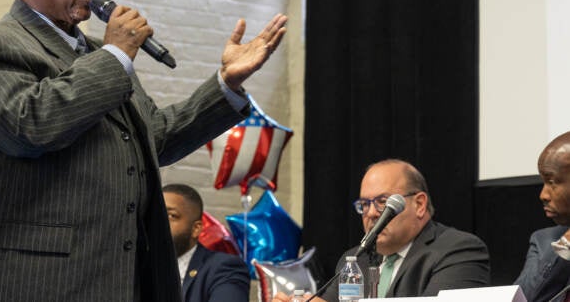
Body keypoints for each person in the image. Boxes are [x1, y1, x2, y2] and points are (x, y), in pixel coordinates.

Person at [0, 0, 287, 302]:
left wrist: (226, 83)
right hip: (31, 283)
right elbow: (33, 125)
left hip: (115, 281)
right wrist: (116, 54)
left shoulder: (99, 57)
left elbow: (154, 138)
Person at [273, 159, 490, 302]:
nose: (371, 213)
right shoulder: (355, 260)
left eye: (383, 202)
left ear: (420, 204)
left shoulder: (458, 251)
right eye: (365, 204)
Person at [163, 184, 250, 302]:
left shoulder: (224, 268)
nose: (159, 223)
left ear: (196, 229)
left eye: (171, 216)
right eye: (155, 215)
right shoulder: (137, 265)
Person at [514, 131, 570, 302]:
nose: (543, 195)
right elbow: (522, 299)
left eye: (552, 182)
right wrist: (565, 246)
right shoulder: (544, 241)